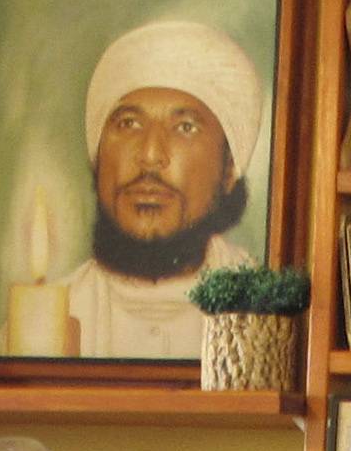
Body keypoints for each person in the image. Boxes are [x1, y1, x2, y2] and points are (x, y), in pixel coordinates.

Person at [62, 18, 261, 359]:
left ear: (229, 169)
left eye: (185, 127)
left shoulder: (265, 319)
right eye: (129, 124)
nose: (150, 156)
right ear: (97, 158)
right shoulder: (37, 325)